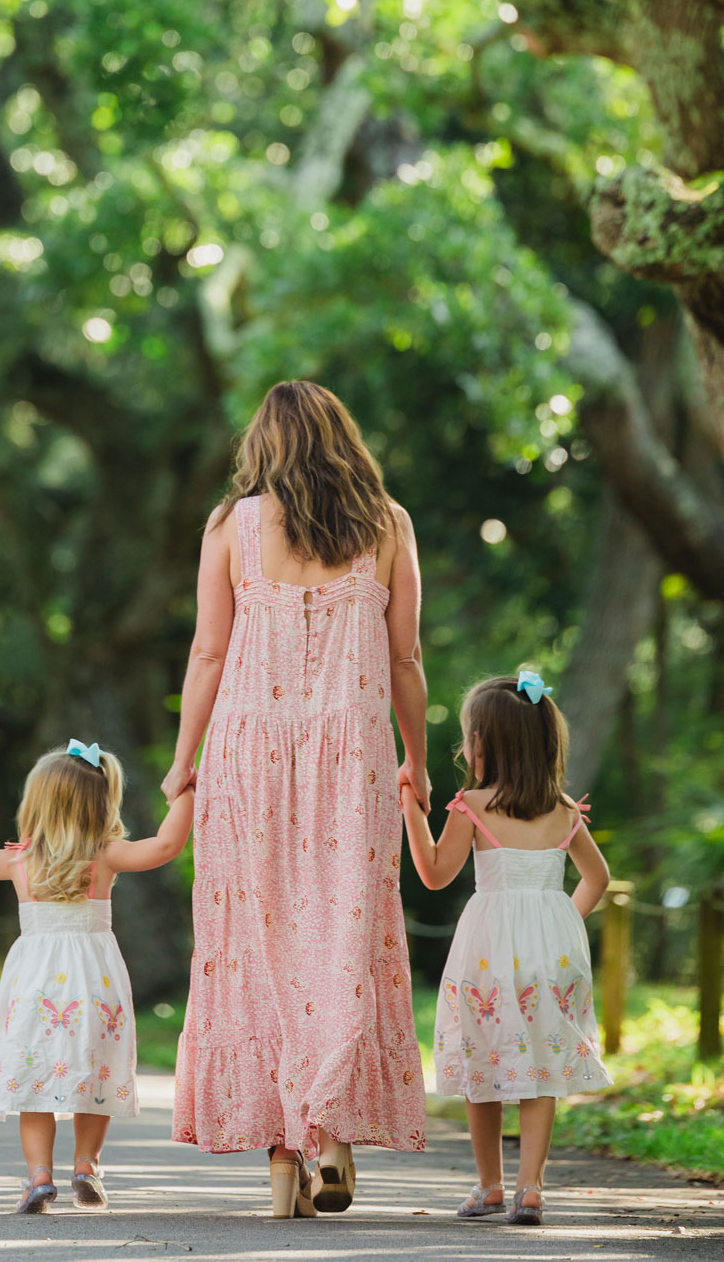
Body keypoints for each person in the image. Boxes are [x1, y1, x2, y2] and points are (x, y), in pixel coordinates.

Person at [167, 379, 430, 1218]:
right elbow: (405, 660)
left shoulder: (230, 527)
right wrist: (416, 763)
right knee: (342, 940)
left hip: (248, 755)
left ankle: (285, 1174)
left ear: (264, 445)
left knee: (261, 949)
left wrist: (183, 761)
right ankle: (334, 1139)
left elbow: (208, 655)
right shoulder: (388, 526)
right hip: (351, 757)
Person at [402, 669, 611, 1228]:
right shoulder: (565, 810)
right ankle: (531, 1188)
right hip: (553, 954)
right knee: (541, 1066)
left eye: (469, 736)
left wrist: (412, 809)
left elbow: (434, 874)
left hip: (489, 949)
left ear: (483, 746)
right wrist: (563, 919)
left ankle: (490, 1185)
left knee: (483, 1058)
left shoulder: (472, 806)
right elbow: (597, 878)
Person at [0, 739, 195, 1212]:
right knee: (94, 1074)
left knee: (35, 1078)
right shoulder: (106, 854)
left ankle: (38, 1177)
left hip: (35, 983)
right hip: (93, 980)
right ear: (103, 803)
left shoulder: (18, 861)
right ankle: (86, 1165)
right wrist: (185, 791)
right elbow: (168, 845)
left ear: (36, 804)